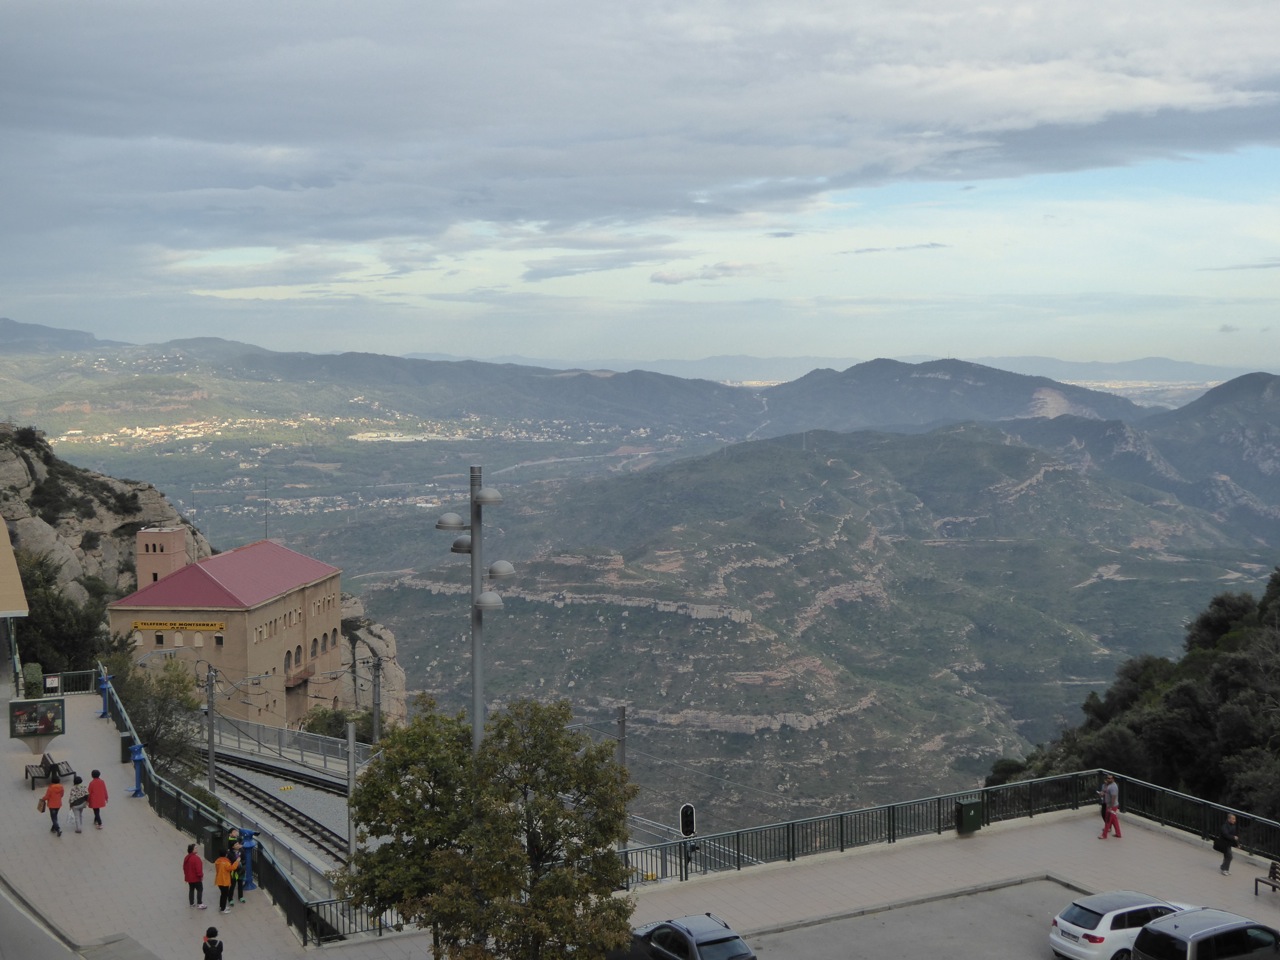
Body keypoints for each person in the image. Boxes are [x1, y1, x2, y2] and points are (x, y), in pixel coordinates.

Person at [214, 847, 239, 914]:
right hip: (224, 881)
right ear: (225, 855)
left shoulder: (217, 861)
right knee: (225, 895)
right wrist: (237, 862)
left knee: (222, 894)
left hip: (219, 880)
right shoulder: (226, 863)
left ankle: (222, 906)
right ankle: (223, 909)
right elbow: (232, 868)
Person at [1097, 774, 1122, 839]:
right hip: (1112, 805)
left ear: (1113, 779)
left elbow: (1113, 797)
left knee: (1107, 820)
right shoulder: (1109, 785)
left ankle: (1104, 835)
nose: (1108, 779)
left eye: (1110, 778)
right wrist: (1102, 793)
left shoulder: (1113, 787)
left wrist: (1110, 807)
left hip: (1111, 806)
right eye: (1108, 778)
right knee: (1114, 820)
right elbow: (1107, 792)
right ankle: (1118, 834)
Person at [184, 843, 207, 909]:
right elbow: (199, 869)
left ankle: (191, 903)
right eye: (195, 848)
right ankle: (199, 903)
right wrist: (201, 876)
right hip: (196, 878)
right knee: (200, 889)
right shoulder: (196, 858)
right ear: (192, 850)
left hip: (189, 878)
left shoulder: (187, 857)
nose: (197, 849)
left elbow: (184, 867)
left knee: (191, 889)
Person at [42, 773, 64, 837]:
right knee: (55, 816)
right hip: (58, 804)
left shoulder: (50, 788)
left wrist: (43, 799)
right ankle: (53, 828)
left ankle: (58, 829)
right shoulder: (61, 787)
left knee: (53, 818)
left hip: (52, 805)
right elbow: (62, 795)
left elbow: (47, 796)